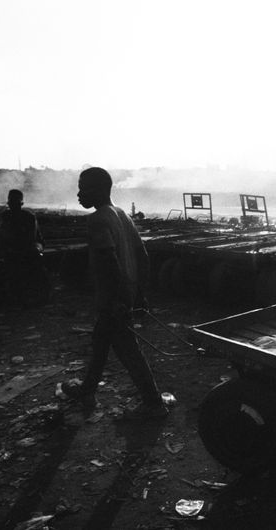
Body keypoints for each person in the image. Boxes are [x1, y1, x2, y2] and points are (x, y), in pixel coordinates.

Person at [64, 167, 167, 419]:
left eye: (83, 188)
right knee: (101, 342)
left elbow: (109, 262)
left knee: (127, 349)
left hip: (113, 299)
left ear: (100, 190)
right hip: (125, 294)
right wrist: (139, 293)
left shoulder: (98, 219)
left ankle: (153, 403)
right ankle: (87, 389)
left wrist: (117, 300)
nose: (78, 194)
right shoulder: (122, 215)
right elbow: (142, 256)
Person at [0, 189, 44, 256]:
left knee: (34, 251)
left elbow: (31, 237)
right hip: (14, 243)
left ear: (20, 204)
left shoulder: (29, 217)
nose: (12, 207)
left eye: (15, 204)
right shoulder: (6, 216)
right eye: (11, 204)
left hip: (32, 243)